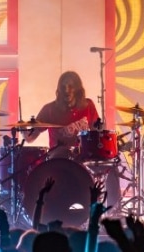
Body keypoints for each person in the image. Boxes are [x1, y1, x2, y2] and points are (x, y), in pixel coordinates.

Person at [25, 71, 122, 213]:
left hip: (85, 156)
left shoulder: (88, 106)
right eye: (64, 88)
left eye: (70, 88)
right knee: (62, 155)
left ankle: (114, 212)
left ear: (77, 90)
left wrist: (103, 134)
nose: (67, 92)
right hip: (59, 158)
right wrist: (23, 130)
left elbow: (97, 130)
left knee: (111, 168)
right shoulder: (50, 110)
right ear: (59, 91)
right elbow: (30, 137)